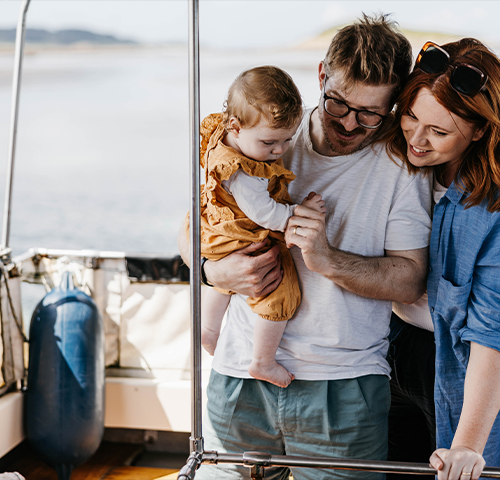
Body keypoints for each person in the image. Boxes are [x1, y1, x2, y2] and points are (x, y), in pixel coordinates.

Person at [178, 14, 433, 480]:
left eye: (371, 113)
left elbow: (410, 276)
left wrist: (327, 259)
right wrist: (211, 271)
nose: (351, 124)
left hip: (343, 386)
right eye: (338, 104)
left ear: (394, 104)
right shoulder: (271, 135)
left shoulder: (404, 167)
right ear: (321, 77)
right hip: (238, 376)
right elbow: (193, 224)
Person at [386, 38, 500, 480]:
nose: (415, 139)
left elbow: (492, 334)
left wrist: (467, 445)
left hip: (463, 365)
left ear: (478, 129)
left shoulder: (491, 210)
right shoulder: (394, 161)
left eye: (438, 131)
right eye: (410, 117)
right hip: (391, 350)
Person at [191, 66, 326, 388]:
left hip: (216, 232)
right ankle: (262, 361)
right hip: (242, 233)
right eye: (270, 142)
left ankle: (208, 331)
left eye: (287, 140)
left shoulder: (223, 139)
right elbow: (264, 213)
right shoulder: (246, 172)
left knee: (223, 281)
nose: (279, 151)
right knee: (281, 289)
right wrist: (298, 212)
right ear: (235, 127)